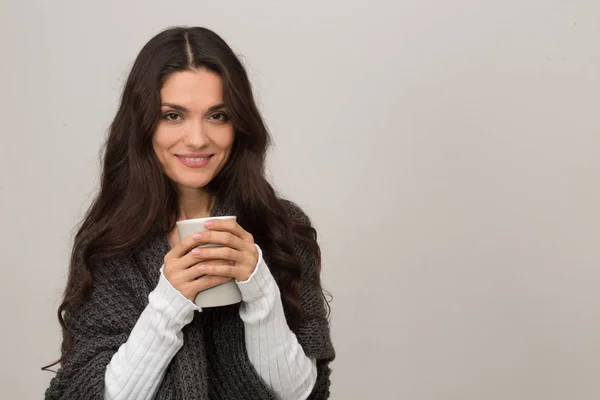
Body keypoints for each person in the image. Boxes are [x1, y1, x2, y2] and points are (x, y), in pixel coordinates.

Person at [44, 26, 334, 400]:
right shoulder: (109, 244)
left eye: (217, 116)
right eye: (173, 116)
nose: (197, 139)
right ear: (144, 125)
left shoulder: (281, 229)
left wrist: (260, 289)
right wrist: (170, 300)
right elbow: (86, 394)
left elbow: (305, 394)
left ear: (238, 125)